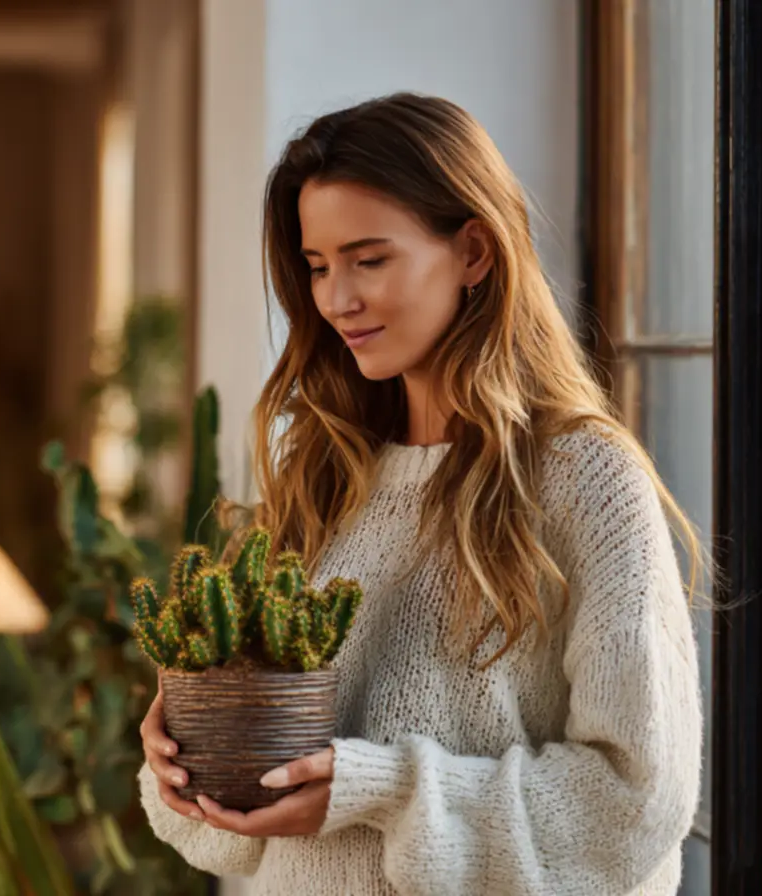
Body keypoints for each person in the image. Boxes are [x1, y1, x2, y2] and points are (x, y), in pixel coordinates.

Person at [137, 92, 704, 895]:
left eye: (369, 260)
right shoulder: (322, 474)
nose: (337, 300)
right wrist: (185, 759)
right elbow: (239, 834)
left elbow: (636, 803)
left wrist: (381, 789)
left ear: (474, 251)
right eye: (318, 266)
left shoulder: (585, 480)